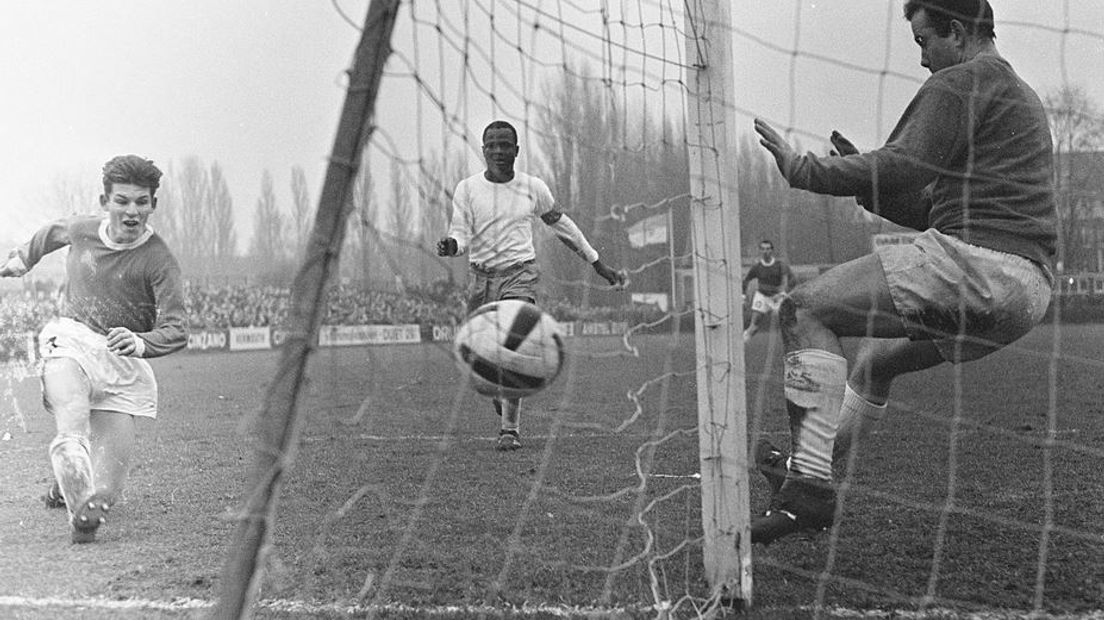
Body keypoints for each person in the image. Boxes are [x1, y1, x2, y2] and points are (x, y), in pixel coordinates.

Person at [749, 0, 1056, 544]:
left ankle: (808, 492)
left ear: (957, 33)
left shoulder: (962, 79)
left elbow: (903, 162)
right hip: (1026, 291)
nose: (921, 60)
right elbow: (928, 208)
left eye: (923, 42)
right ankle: (802, 471)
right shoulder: (1016, 94)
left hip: (978, 266)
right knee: (875, 365)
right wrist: (867, 183)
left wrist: (807, 170)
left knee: (804, 308)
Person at [0, 155, 187, 543]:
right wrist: (24, 257)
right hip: (73, 337)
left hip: (123, 361)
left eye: (141, 201)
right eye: (122, 200)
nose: (131, 211)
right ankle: (70, 450)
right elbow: (54, 231)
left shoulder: (159, 261)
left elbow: (177, 327)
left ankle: (71, 496)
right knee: (73, 417)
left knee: (109, 490)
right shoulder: (84, 229)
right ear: (105, 202)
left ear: (153, 204)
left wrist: (141, 341)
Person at [437, 120, 626, 451]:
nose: (498, 150)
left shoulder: (533, 188)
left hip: (519, 274)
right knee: (479, 355)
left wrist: (598, 263)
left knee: (515, 347)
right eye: (491, 145)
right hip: (481, 279)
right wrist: (452, 246)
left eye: (505, 145)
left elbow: (563, 226)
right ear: (483, 150)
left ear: (516, 150)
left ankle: (510, 429)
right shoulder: (467, 189)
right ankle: (498, 390)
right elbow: (460, 233)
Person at [741, 240, 793, 343]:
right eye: (763, 249)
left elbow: (790, 281)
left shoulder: (780, 265)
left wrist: (781, 294)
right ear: (760, 251)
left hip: (777, 298)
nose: (765, 251)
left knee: (788, 324)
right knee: (754, 326)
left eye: (768, 249)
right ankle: (742, 343)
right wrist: (743, 296)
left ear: (772, 250)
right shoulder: (757, 267)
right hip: (762, 297)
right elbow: (746, 280)